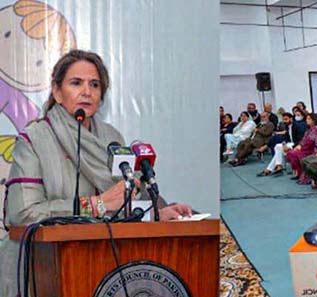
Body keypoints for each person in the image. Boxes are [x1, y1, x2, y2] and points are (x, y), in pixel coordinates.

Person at [0, 50, 193, 295]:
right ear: (57, 92)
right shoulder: (34, 139)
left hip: (105, 266)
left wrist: (154, 213)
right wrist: (96, 204)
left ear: (102, 95)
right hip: (44, 268)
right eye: (76, 83)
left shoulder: (112, 138)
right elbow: (22, 213)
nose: (86, 92)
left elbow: (122, 204)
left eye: (95, 84)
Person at [278, 114, 317, 180]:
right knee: (291, 153)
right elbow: (304, 140)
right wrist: (299, 145)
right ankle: (298, 172)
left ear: (313, 120)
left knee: (294, 153)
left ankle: (301, 174)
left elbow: (316, 142)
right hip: (305, 148)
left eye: (309, 119)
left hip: (313, 149)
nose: (307, 120)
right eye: (306, 119)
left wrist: (302, 146)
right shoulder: (308, 129)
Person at [261, 113, 305, 177]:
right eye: (283, 120)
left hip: (297, 145)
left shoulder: (297, 126)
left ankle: (271, 169)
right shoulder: (287, 126)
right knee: (278, 147)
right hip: (290, 143)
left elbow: (300, 140)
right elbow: (285, 138)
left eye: (286, 119)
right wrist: (284, 144)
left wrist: (291, 146)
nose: (284, 121)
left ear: (291, 119)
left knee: (278, 148)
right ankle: (277, 167)